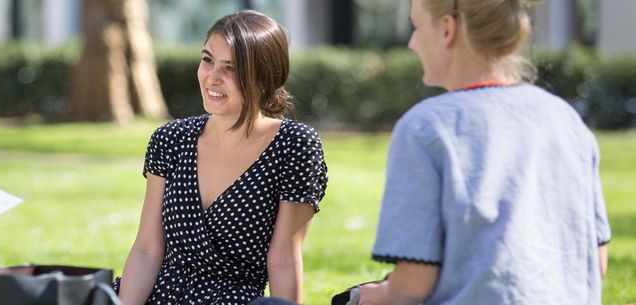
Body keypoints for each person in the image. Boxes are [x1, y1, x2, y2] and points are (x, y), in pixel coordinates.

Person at [357, 0, 610, 304]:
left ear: (447, 29)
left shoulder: (423, 128)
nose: (412, 42)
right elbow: (596, 262)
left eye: (417, 26)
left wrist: (370, 296)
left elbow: (411, 288)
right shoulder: (567, 119)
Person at [116, 10, 328, 305]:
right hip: (154, 296)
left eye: (230, 68)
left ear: (264, 77)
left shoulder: (294, 146)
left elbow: (283, 259)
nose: (212, 78)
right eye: (207, 60)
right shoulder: (170, 139)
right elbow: (147, 249)